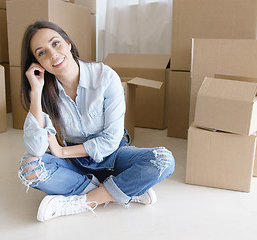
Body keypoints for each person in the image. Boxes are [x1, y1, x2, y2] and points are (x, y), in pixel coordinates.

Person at [17, 20, 175, 222]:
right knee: (29, 168)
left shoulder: (105, 77)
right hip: (75, 164)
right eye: (42, 53)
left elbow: (110, 140)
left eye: (55, 43)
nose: (52, 55)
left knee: (164, 160)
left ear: (68, 43)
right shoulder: (45, 92)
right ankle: (121, 190)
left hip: (113, 156)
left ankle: (82, 202)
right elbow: (35, 148)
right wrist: (36, 92)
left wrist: (63, 151)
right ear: (38, 63)